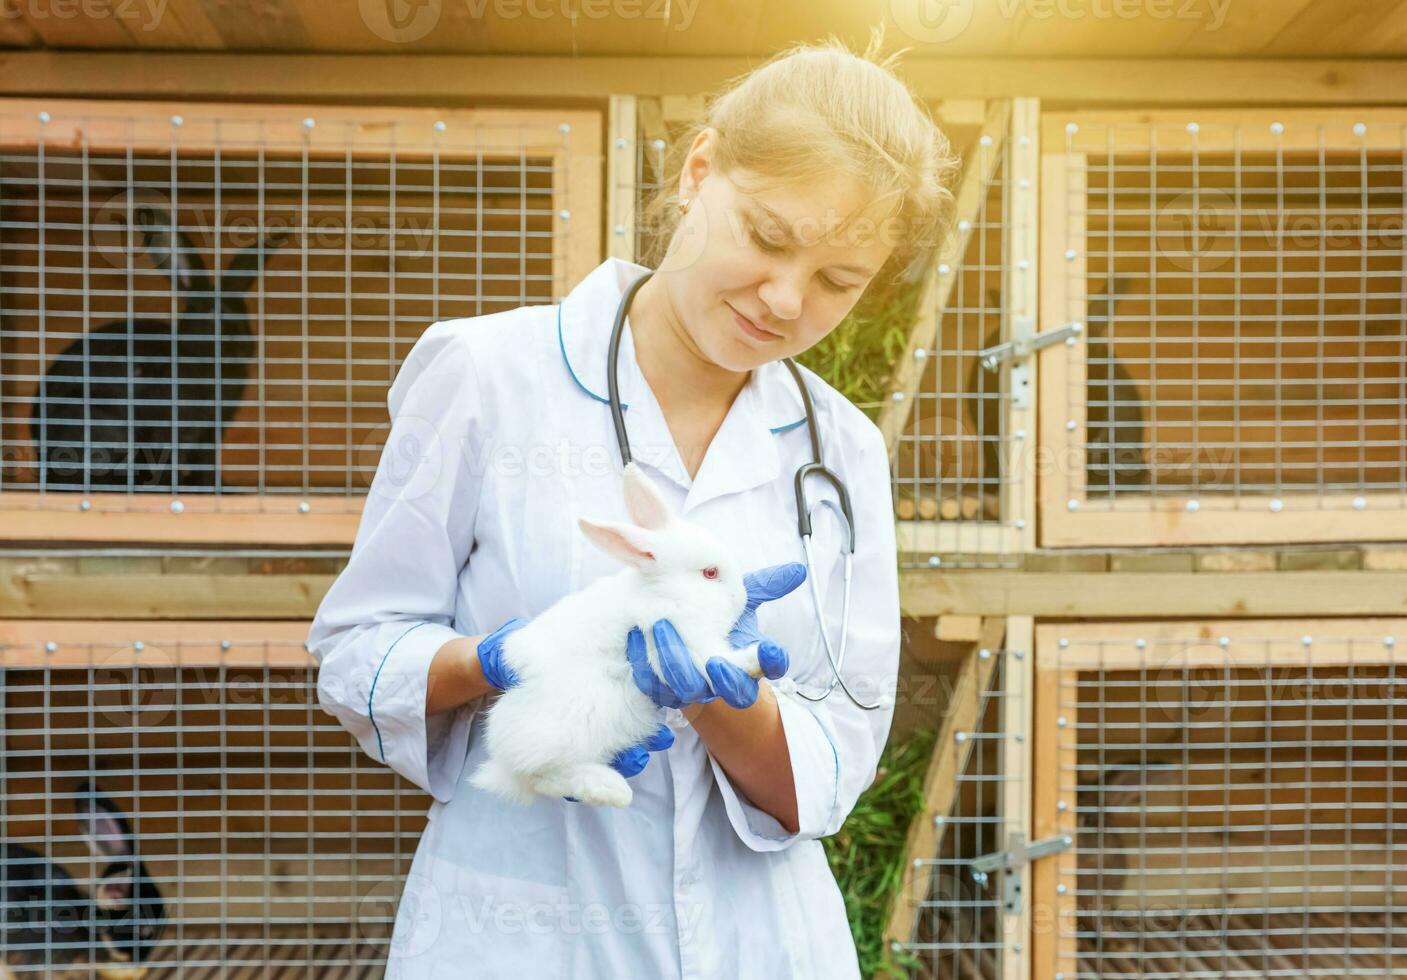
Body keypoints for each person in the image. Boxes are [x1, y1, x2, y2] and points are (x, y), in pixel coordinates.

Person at [307, 29, 958, 979]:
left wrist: (723, 701)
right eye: (766, 237)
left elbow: (835, 758)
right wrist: (499, 659)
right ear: (699, 172)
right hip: (519, 932)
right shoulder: (489, 376)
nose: (783, 299)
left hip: (762, 943)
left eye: (836, 282)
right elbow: (358, 652)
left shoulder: (842, 451)